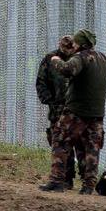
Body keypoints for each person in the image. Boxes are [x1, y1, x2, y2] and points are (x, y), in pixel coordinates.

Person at [40, 28, 106, 195]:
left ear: (81, 44)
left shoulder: (81, 57)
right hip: (96, 114)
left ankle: (56, 181)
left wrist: (56, 60)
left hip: (76, 111)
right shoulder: (101, 58)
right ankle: (89, 185)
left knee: (60, 140)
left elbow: (68, 70)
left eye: (76, 42)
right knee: (92, 148)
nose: (73, 44)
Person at [36, 35, 78, 188]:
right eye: (64, 47)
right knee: (59, 143)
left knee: (78, 143)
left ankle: (81, 179)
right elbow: (41, 82)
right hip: (58, 108)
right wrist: (50, 101)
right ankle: (64, 178)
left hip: (76, 109)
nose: (67, 51)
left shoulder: (78, 59)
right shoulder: (50, 59)